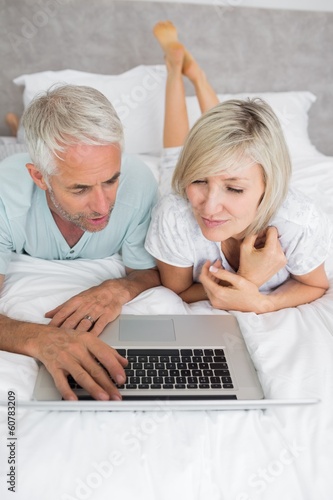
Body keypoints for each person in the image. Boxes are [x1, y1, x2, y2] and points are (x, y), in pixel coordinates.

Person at [145, 21, 332, 313]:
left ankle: (198, 78)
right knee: (176, 156)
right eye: (198, 180)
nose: (208, 208)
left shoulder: (298, 223)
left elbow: (316, 285)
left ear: (268, 185)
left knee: (228, 142)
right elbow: (178, 290)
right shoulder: (176, 212)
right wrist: (247, 280)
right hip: (184, 181)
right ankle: (174, 69)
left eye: (234, 188)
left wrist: (263, 302)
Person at [0, 84, 161, 400]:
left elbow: (148, 272)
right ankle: (17, 129)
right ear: (40, 178)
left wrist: (118, 288)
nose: (103, 207)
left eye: (112, 180)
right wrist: (41, 339)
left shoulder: (139, 181)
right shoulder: (5, 197)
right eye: (80, 189)